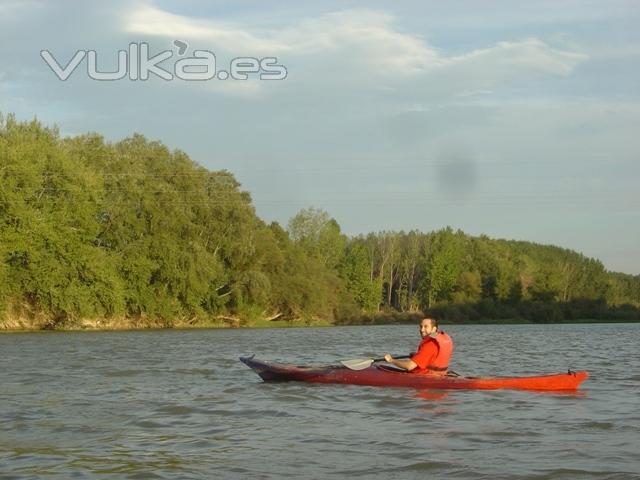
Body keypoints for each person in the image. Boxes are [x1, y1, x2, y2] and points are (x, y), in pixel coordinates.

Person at [384, 316, 454, 375]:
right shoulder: (439, 338)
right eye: (421, 326)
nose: (422, 330)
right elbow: (431, 357)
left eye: (426, 327)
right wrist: (417, 356)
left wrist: (391, 360)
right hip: (439, 375)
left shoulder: (430, 344)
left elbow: (409, 366)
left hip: (427, 377)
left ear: (434, 329)